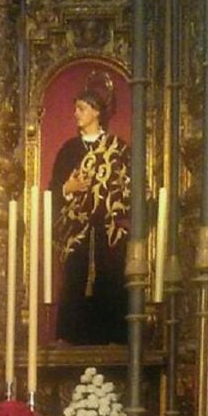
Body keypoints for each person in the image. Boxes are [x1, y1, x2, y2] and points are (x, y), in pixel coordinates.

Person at [48, 71, 130, 345]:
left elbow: (128, 188)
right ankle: (71, 338)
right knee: (74, 280)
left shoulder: (118, 149)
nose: (75, 114)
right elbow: (53, 192)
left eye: (81, 108)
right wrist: (67, 190)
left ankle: (113, 339)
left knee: (111, 279)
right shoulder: (68, 150)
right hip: (76, 234)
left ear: (96, 111)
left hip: (108, 235)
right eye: (75, 109)